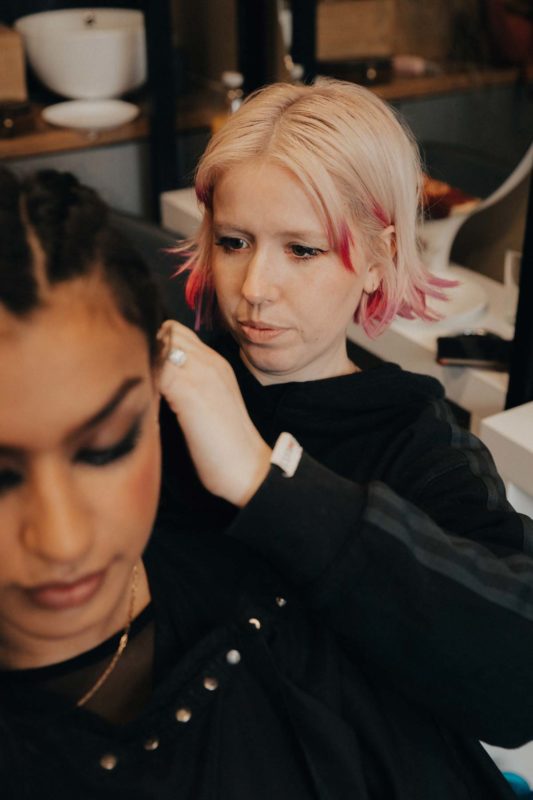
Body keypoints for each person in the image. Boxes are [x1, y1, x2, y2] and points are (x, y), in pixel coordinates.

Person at [155, 79, 533, 798]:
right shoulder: (171, 389)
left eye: (301, 250)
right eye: (234, 242)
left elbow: (517, 678)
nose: (255, 287)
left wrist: (271, 489)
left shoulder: (420, 443)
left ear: (373, 256)